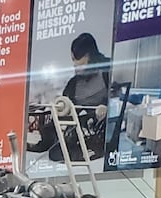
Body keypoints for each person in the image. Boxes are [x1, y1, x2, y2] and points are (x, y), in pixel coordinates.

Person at [27, 32, 112, 163]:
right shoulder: (73, 84)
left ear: (91, 56)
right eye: (73, 61)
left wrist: (108, 107)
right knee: (52, 134)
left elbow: (119, 95)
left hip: (98, 125)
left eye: (81, 62)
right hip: (78, 123)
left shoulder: (108, 70)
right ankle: (44, 145)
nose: (76, 66)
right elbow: (65, 107)